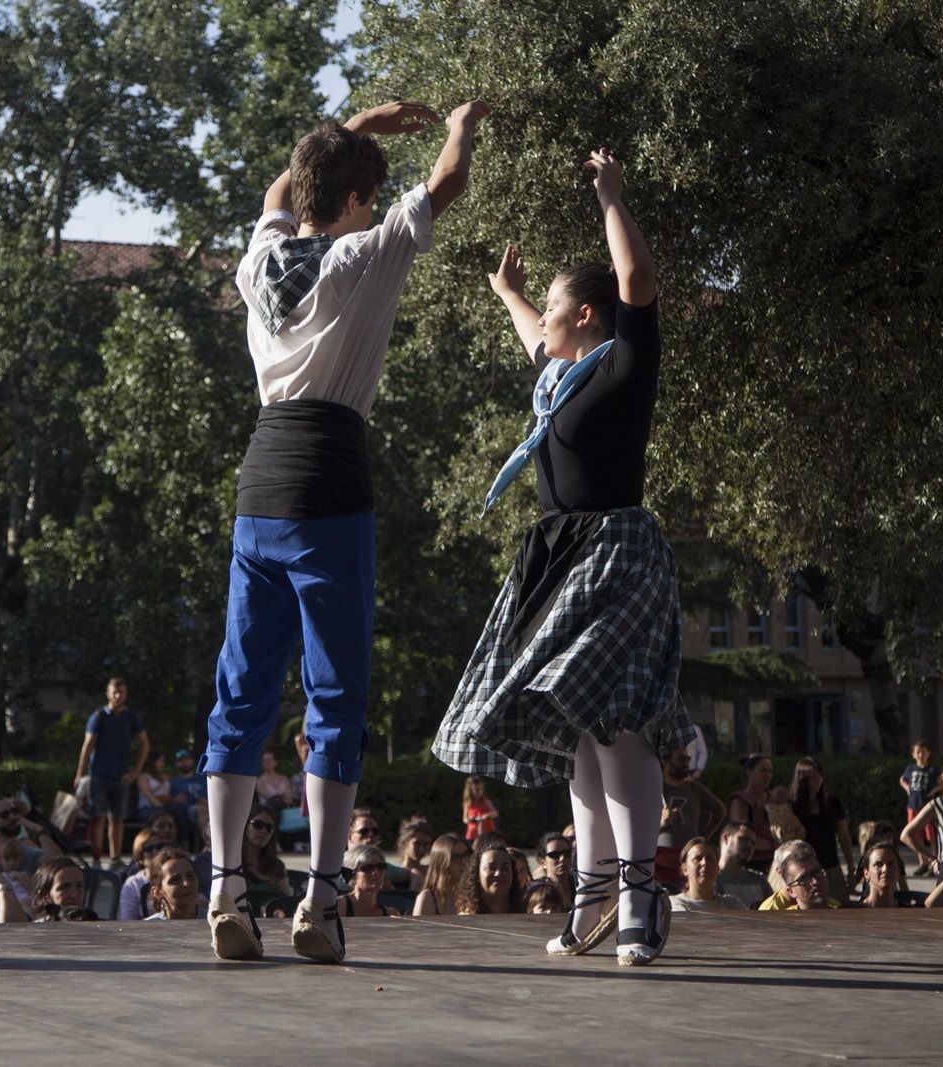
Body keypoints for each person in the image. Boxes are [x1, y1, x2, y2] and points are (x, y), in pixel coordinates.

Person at [201, 97, 488, 966]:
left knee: (241, 693)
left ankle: (225, 887)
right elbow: (449, 182)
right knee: (335, 699)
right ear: (359, 199)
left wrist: (356, 126)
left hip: (261, 483)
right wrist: (461, 122)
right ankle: (321, 901)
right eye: (370, 194)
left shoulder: (259, 260)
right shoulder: (367, 253)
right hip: (329, 478)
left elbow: (276, 192)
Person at [433, 146, 698, 968]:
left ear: (585, 314)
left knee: (613, 721)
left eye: (551, 306)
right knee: (578, 727)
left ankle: (640, 897)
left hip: (616, 551)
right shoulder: (558, 382)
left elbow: (638, 281)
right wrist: (510, 294)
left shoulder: (623, 365)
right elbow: (534, 341)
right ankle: (593, 894)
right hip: (559, 558)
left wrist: (611, 196)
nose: (541, 319)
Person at [74, 677, 148, 863]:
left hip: (120, 776)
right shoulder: (98, 717)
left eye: (121, 692)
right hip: (99, 774)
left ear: (126, 694)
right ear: (108, 693)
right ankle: (97, 857)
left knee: (117, 818)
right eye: (114, 692)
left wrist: (135, 771)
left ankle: (115, 858)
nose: (118, 696)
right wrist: (80, 773)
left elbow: (144, 744)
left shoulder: (130, 718)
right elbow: (88, 746)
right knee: (98, 817)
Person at [657, 745, 726, 889]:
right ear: (666, 762)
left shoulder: (694, 788)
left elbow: (719, 810)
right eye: (681, 760)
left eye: (687, 759)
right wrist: (660, 824)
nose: (686, 764)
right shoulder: (655, 788)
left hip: (691, 857)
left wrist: (704, 836)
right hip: (662, 861)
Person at [790, 757, 853, 900]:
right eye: (809, 779)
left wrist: (851, 869)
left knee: (840, 906)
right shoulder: (793, 807)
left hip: (831, 867)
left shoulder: (833, 804)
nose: (814, 783)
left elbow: (844, 837)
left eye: (817, 778)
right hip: (804, 871)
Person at [118, 823, 180, 921]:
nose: (156, 852)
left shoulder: (175, 875)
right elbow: (127, 921)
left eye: (159, 847)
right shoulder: (132, 884)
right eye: (149, 849)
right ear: (140, 857)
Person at [726, 755, 777, 873]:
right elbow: (741, 836)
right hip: (751, 864)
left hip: (775, 862)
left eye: (770, 771)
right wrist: (773, 845)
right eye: (762, 771)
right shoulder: (740, 801)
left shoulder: (774, 798)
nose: (767, 775)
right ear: (749, 772)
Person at [0, 794, 63, 875]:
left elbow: (60, 866)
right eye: (5, 815)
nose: (12, 817)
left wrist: (39, 830)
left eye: (14, 811)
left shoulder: (28, 852)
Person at [757, 841, 840, 911]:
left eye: (817, 873)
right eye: (804, 878)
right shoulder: (770, 911)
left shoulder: (838, 908)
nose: (815, 881)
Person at [671, 836, 746, 911]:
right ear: (684, 869)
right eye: (697, 858)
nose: (704, 863)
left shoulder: (732, 904)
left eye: (709, 859)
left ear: (717, 867)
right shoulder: (673, 904)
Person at [898, 740, 939, 875]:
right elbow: (902, 779)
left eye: (923, 752)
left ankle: (934, 862)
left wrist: (934, 791)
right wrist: (907, 788)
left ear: (928, 754)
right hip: (912, 806)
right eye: (918, 752)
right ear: (913, 754)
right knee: (916, 836)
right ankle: (923, 863)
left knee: (931, 836)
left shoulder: (932, 770)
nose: (921, 755)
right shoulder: (911, 768)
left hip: (926, 807)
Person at [455, 842, 525, 915]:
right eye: (491, 868)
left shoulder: (527, 912)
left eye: (505, 868)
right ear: (477, 873)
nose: (498, 873)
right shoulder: (466, 918)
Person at [411, 833, 470, 916]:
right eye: (456, 857)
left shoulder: (473, 894)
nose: (464, 862)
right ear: (441, 862)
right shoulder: (427, 899)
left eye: (466, 855)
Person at [855, 842, 923, 908]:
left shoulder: (908, 912)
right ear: (866, 873)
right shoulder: (856, 912)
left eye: (891, 864)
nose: (885, 869)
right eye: (879, 864)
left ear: (899, 871)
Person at [339, 844, 401, 917]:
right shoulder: (339, 907)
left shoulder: (391, 914)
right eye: (367, 868)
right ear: (352, 874)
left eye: (381, 867)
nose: (376, 872)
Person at [143, 846, 202, 921]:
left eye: (190, 876)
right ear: (156, 892)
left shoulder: (212, 922)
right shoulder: (148, 927)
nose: (186, 883)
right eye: (175, 880)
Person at [169, 748, 209, 848]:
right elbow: (167, 801)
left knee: (202, 809)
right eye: (181, 761)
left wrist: (205, 801)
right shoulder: (172, 782)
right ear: (176, 764)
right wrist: (174, 800)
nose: (184, 763)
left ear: (192, 761)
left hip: (204, 809)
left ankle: (207, 844)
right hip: (183, 811)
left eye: (187, 760)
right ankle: (203, 844)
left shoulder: (203, 779)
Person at [536, 832, 575, 909]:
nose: (562, 858)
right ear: (542, 862)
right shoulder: (537, 891)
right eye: (555, 854)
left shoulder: (581, 885)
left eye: (567, 853)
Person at [254, 750, 295, 815]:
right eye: (264, 760)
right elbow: (270, 798)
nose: (266, 762)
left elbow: (289, 797)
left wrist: (284, 799)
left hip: (286, 811)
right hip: (268, 814)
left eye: (269, 760)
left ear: (276, 762)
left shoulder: (284, 778)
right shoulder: (258, 781)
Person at [461, 775, 500, 842]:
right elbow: (464, 819)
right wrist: (470, 819)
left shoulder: (486, 801)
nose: (479, 792)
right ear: (470, 790)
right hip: (473, 834)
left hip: (487, 833)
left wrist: (487, 815)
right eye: (476, 790)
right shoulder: (467, 804)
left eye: (481, 789)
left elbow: (495, 813)